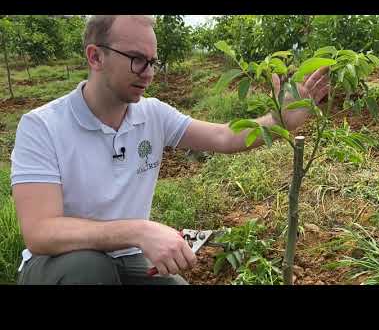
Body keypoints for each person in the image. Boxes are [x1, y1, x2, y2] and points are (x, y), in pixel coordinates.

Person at [11, 15, 331, 285]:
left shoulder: (153, 114)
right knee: (89, 270)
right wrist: (139, 230)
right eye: (136, 59)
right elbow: (41, 232)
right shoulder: (43, 126)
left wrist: (279, 121)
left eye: (152, 61)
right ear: (95, 57)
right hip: (59, 265)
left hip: (127, 258)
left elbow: (223, 137)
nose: (148, 72)